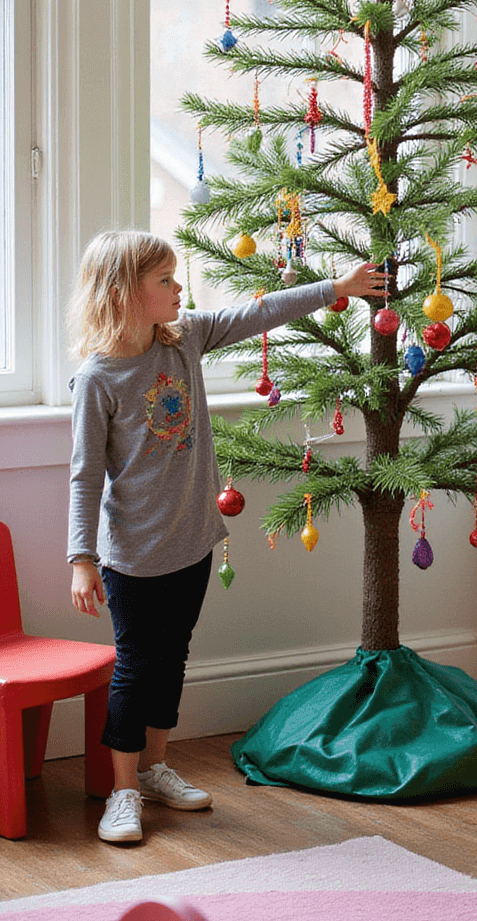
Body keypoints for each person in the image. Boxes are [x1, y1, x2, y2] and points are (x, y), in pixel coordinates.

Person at [67, 229, 384, 845]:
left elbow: (257, 312)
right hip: (133, 556)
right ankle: (122, 792)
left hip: (193, 541)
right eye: (165, 280)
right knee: (136, 667)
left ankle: (155, 768)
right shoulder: (98, 379)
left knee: (173, 659)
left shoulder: (183, 338)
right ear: (125, 293)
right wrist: (81, 557)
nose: (178, 288)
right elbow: (84, 476)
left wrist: (336, 288)